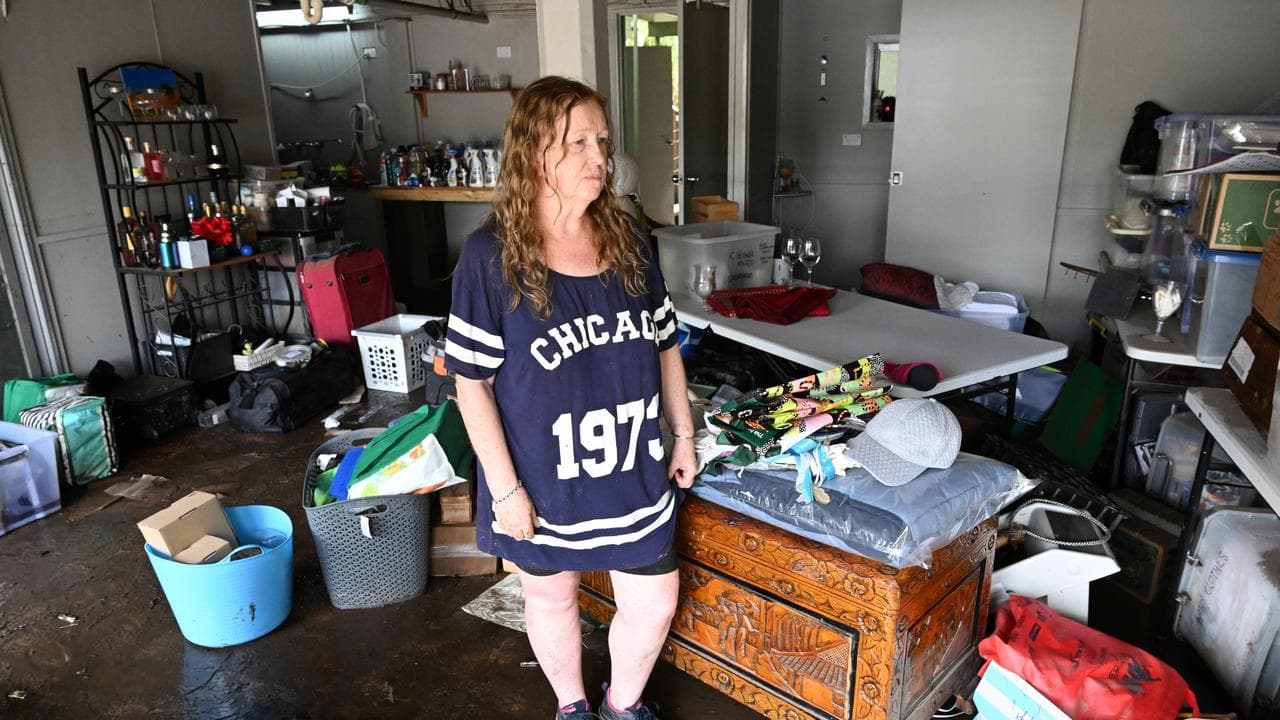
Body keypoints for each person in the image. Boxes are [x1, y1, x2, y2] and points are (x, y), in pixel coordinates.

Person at [444, 76, 698, 720]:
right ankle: (573, 708)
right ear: (534, 155)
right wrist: (505, 492)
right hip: (542, 478)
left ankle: (623, 704)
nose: (598, 158)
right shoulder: (490, 257)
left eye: (602, 142)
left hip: (632, 472)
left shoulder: (631, 240)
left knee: (654, 599)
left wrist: (684, 433)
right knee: (552, 599)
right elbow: (470, 382)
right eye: (577, 142)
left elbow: (667, 344)